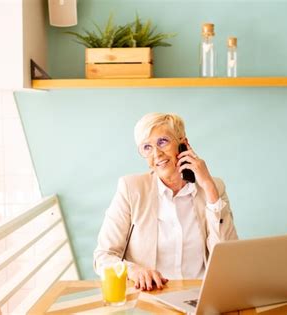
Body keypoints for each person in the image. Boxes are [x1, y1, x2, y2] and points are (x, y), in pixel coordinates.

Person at [93, 113, 238, 291]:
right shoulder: (131, 189)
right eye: (147, 147)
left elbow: (228, 257)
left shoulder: (214, 187)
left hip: (201, 295)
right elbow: (103, 256)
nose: (156, 154)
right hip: (152, 297)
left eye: (163, 141)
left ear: (183, 144)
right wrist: (133, 270)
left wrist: (209, 188)